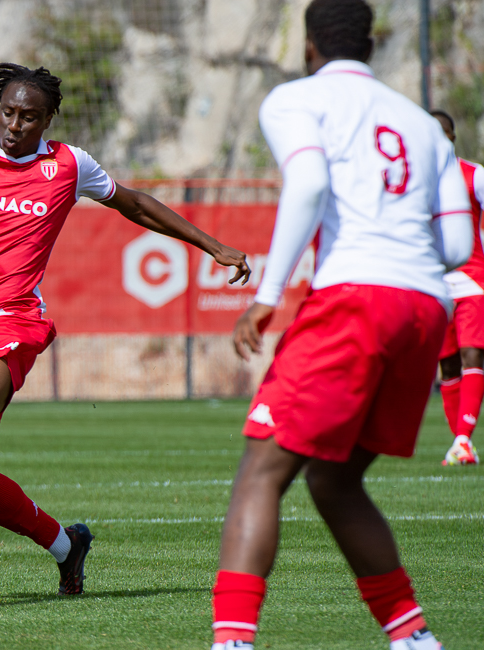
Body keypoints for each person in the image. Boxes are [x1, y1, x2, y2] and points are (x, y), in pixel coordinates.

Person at [0, 62, 251, 597]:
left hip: (13, 321)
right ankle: (68, 548)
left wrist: (213, 246)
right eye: (8, 113)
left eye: (29, 117)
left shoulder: (68, 164)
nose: (15, 125)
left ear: (48, 120)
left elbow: (135, 204)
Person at [217, 1, 473, 648]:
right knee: (335, 479)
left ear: (309, 46)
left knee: (261, 471)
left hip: (356, 297)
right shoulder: (421, 124)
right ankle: (413, 637)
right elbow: (455, 245)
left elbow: (307, 184)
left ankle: (231, 641)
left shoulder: (296, 99)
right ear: (371, 45)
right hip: (424, 308)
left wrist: (267, 294)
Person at [431, 108, 484, 466]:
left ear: (452, 137)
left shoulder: (475, 175)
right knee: (448, 365)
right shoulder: (415, 182)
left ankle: (463, 439)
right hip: (436, 284)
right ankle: (459, 443)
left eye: (443, 133)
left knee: (472, 355)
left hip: (472, 278)